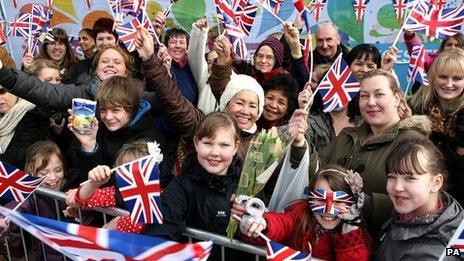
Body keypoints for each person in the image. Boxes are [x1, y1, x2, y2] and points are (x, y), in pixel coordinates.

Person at [294, 69, 431, 240]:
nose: (371, 102)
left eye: (379, 94)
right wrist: (299, 143)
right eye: (364, 96)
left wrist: (363, 201)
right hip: (331, 240)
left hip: (381, 244)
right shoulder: (347, 135)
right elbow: (316, 171)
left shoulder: (412, 142)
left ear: (397, 98)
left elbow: (422, 200)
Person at [142, 112, 250, 260]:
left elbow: (264, 229)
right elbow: (161, 231)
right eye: (208, 143)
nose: (215, 152)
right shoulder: (181, 186)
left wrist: (250, 222)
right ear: (196, 143)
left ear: (236, 147)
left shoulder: (248, 185)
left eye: (224, 145)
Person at [233, 165, 370, 260]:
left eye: (339, 201)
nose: (328, 210)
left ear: (352, 203)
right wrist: (262, 223)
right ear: (310, 198)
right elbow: (281, 223)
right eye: (320, 199)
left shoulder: (356, 234)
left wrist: (348, 234)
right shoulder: (299, 216)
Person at [66, 76, 166, 185]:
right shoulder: (96, 128)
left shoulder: (150, 140)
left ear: (131, 109)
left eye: (115, 110)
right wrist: (89, 146)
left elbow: (132, 186)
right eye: (103, 110)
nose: (108, 117)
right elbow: (84, 177)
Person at [375, 139, 463, 260]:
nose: (397, 187)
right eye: (391, 176)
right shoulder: (408, 212)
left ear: (436, 183)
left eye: (410, 178)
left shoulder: (436, 254)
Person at [0, 141, 82, 260]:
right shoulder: (33, 196)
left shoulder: (76, 182)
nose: (53, 177)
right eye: (44, 173)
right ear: (32, 172)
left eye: (58, 170)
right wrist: (4, 217)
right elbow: (18, 206)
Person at [0, 45, 134, 112]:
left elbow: (156, 99)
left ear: (126, 72)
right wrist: (3, 72)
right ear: (95, 69)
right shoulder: (82, 93)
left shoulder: (137, 95)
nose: (110, 64)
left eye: (117, 62)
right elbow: (44, 91)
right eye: (104, 61)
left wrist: (150, 60)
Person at [67, 139, 162, 233]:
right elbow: (84, 200)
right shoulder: (117, 192)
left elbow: (149, 221)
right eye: (125, 170)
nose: (131, 174)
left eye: (138, 169)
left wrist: (118, 223)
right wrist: (92, 184)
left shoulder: (165, 195)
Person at [409, 48, 464, 204]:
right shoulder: (416, 106)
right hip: (419, 193)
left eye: (457, 78)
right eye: (443, 77)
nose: (449, 84)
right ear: (433, 77)